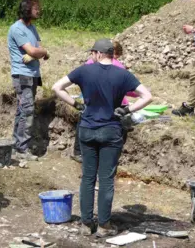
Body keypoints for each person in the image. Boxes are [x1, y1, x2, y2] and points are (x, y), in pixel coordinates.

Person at [52, 39, 152, 237]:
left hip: (87, 130)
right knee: (106, 179)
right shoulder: (122, 74)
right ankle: (105, 225)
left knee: (88, 178)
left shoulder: (83, 71)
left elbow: (57, 87)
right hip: (111, 131)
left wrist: (76, 104)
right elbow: (147, 96)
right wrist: (127, 109)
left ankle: (86, 223)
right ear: (112, 54)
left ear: (96, 54)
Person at [71, 41, 137, 162]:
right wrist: (137, 91)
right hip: (114, 103)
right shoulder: (118, 66)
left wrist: (76, 103)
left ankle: (79, 152)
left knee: (84, 123)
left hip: (92, 102)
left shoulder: (89, 64)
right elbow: (127, 88)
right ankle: (111, 155)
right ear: (114, 53)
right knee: (116, 127)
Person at [7, 0, 49, 161]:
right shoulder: (17, 28)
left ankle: (16, 144)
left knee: (22, 109)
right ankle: (22, 149)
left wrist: (41, 52)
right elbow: (33, 51)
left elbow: (39, 48)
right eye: (35, 7)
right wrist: (41, 53)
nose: (38, 10)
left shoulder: (32, 28)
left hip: (33, 74)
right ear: (26, 10)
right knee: (28, 110)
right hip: (22, 74)